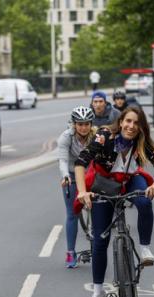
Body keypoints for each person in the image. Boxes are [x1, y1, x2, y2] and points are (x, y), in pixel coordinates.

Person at [74, 106, 154, 297]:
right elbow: (81, 162)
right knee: (100, 241)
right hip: (104, 183)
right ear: (120, 122)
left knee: (145, 201)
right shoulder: (105, 136)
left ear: (140, 126)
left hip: (129, 181)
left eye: (136, 123)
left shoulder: (141, 141)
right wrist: (82, 191)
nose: (131, 126)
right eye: (128, 121)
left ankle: (144, 249)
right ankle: (97, 293)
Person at [57, 106, 96, 268]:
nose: (83, 127)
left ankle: (96, 240)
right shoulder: (66, 137)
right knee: (72, 214)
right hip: (72, 175)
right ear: (74, 124)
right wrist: (65, 175)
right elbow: (63, 160)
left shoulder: (96, 136)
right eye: (80, 124)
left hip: (92, 174)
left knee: (97, 208)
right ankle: (70, 253)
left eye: (86, 124)